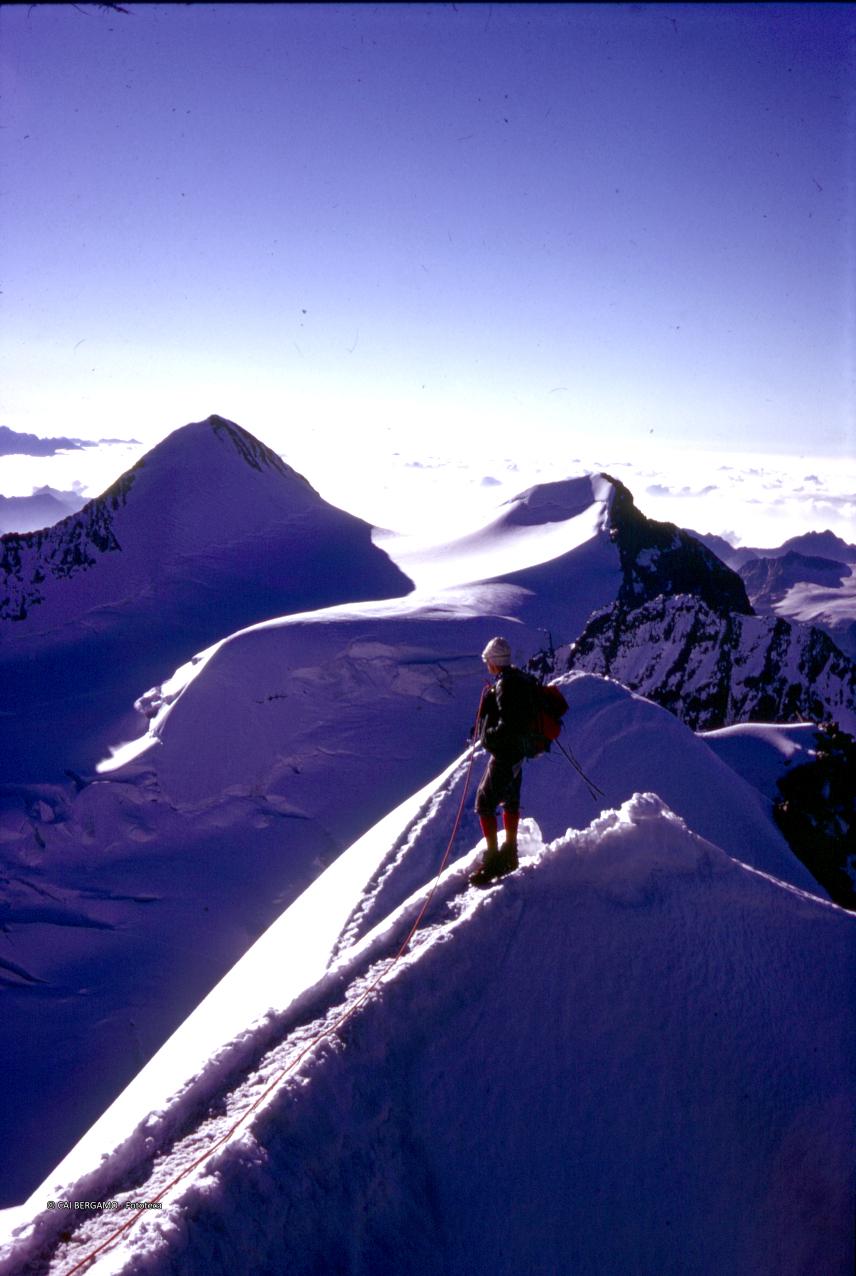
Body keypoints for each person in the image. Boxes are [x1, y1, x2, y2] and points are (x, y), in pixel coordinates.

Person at [470, 636, 534, 887]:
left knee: (484, 803)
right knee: (511, 801)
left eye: (488, 659)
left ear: (494, 661)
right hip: (518, 753)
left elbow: (508, 723)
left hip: (505, 755)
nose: (486, 663)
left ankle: (494, 860)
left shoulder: (505, 685)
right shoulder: (518, 679)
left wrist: (488, 737)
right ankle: (509, 852)